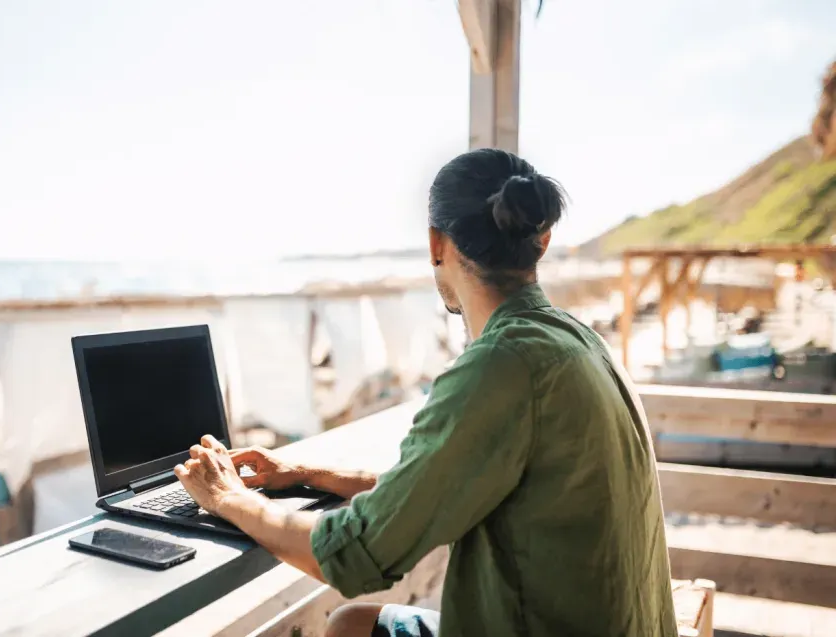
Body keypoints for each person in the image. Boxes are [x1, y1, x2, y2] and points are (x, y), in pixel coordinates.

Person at [175, 149, 677, 637]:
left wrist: (228, 497)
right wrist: (306, 474)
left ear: (437, 243)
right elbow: (430, 486)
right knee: (352, 626)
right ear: (541, 241)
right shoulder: (577, 339)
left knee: (347, 618)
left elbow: (355, 556)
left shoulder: (502, 366)